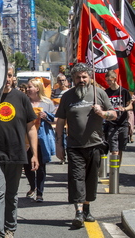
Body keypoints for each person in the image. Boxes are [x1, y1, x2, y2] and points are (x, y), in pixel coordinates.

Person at [55, 63, 117, 229]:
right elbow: (60, 121)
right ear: (73, 79)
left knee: (91, 179)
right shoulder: (67, 96)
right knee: (77, 179)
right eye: (78, 77)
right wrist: (59, 144)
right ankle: (79, 212)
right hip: (74, 146)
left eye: (84, 77)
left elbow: (114, 114)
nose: (81, 80)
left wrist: (102, 113)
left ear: (90, 77)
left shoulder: (99, 93)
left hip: (95, 145)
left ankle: (87, 208)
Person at [0, 64, 39, 238]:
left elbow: (31, 128)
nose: (6, 79)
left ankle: (9, 229)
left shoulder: (21, 98)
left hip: (15, 154)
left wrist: (35, 154)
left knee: (11, 195)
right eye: (2, 75)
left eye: (9, 75)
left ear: (13, 77)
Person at [24, 78, 56, 202]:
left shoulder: (47, 103)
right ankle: (33, 185)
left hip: (42, 138)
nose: (27, 89)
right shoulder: (25, 102)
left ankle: (40, 193)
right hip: (27, 138)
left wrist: (46, 116)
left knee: (41, 166)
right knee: (27, 165)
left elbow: (56, 119)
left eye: (30, 87)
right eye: (27, 87)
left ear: (37, 89)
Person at [104, 70, 132, 165]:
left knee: (120, 149)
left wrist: (124, 108)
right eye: (106, 80)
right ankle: (113, 169)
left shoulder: (123, 91)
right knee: (114, 150)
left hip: (123, 123)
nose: (108, 82)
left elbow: (130, 106)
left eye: (109, 80)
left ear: (115, 79)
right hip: (112, 123)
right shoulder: (106, 92)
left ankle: (116, 170)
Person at [51, 73, 69, 164]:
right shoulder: (54, 92)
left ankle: (67, 154)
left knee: (67, 136)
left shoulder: (69, 92)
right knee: (59, 136)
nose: (62, 82)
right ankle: (62, 156)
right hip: (58, 117)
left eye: (63, 80)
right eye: (60, 80)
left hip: (67, 118)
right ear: (57, 82)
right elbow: (51, 103)